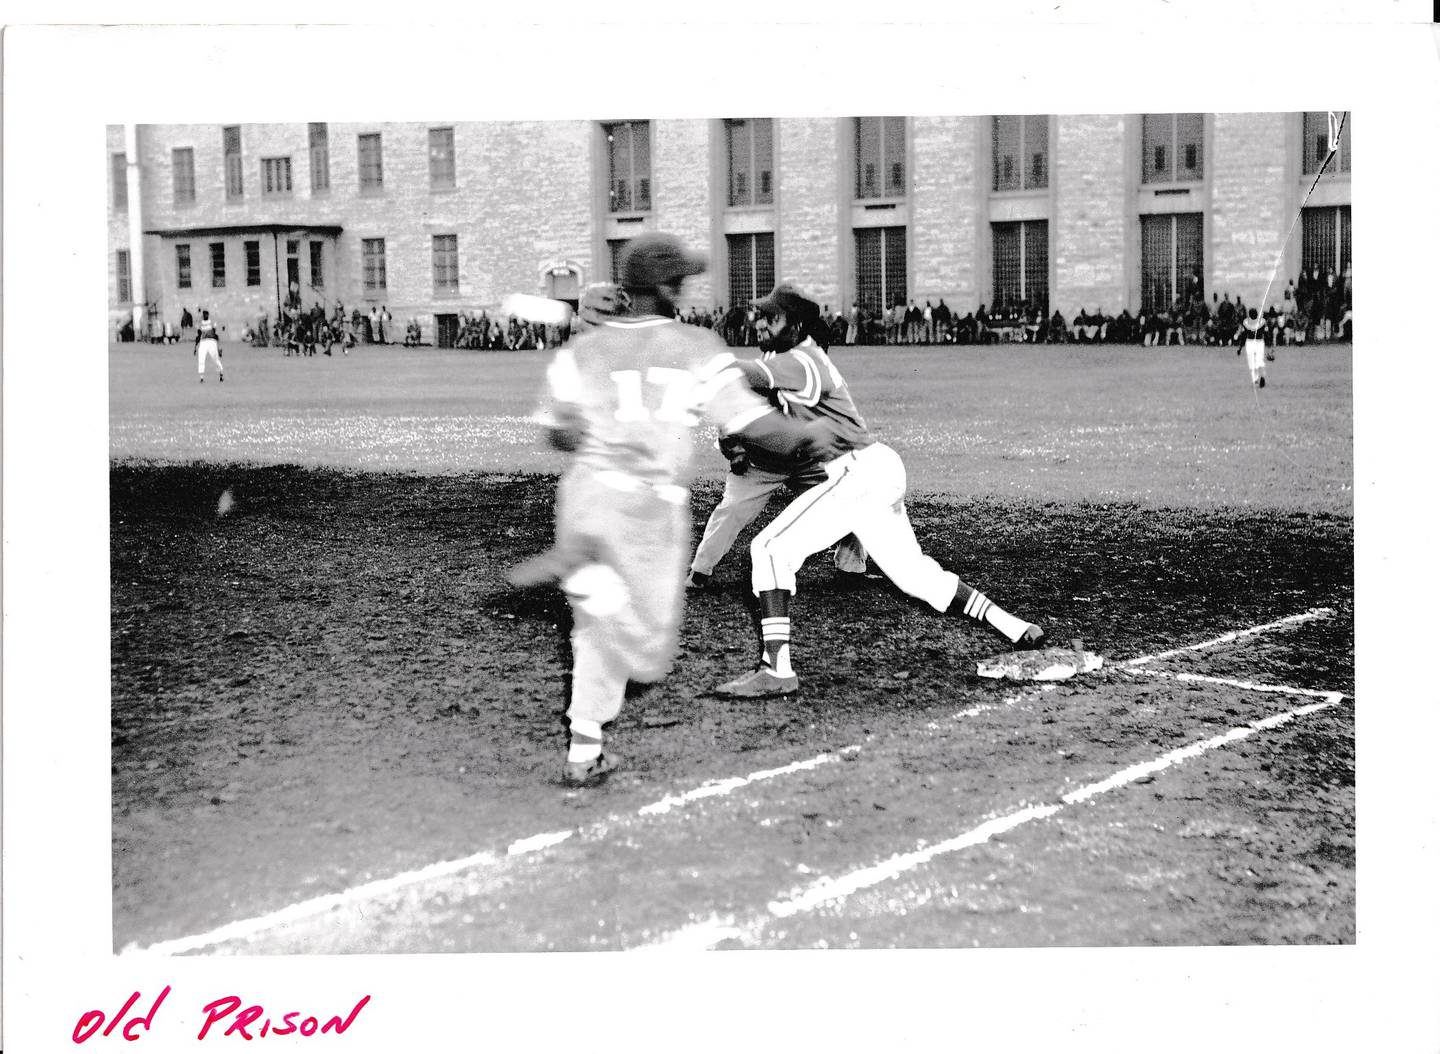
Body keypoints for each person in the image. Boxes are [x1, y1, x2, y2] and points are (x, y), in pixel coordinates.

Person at [507, 238, 845, 786]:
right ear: (665, 289)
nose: (684, 289)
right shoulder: (695, 344)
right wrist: (805, 438)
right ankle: (599, 590)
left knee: (596, 629)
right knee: (647, 654)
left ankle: (583, 751)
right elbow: (751, 424)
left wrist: (605, 423)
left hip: (587, 498)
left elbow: (558, 434)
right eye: (680, 281)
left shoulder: (582, 351)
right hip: (647, 512)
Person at [711, 281, 1045, 700]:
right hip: (875, 470)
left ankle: (776, 668)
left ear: (794, 325)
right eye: (760, 315)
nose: (760, 322)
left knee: (769, 550)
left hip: (859, 473)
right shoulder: (795, 359)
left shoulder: (801, 360)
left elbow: (747, 375)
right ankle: (1014, 626)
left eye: (771, 317)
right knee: (914, 575)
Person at [686, 287, 870, 590]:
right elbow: (730, 412)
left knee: (849, 495)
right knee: (731, 511)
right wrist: (735, 450)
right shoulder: (769, 368)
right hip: (761, 463)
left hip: (808, 463)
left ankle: (852, 566)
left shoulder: (814, 368)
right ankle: (700, 572)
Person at [1237, 307, 1267, 388]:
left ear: (1249, 315)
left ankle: (1255, 380)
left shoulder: (1246, 322)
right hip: (1260, 342)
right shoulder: (1262, 322)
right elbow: (1267, 335)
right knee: (1260, 361)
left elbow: (1243, 336)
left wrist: (1240, 348)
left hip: (1250, 343)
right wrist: (1270, 347)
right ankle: (1263, 376)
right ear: (1257, 314)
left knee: (1251, 362)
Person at [194, 310, 223, 383]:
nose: (205, 316)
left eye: (206, 315)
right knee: (201, 358)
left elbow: (216, 335)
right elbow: (198, 335)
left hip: (211, 342)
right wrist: (195, 347)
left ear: (208, 315)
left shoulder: (212, 323)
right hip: (203, 342)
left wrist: (219, 347)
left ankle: (221, 373)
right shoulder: (200, 324)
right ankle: (201, 377)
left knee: (215, 358)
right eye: (204, 315)